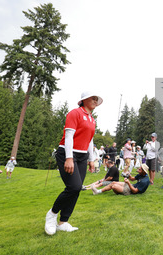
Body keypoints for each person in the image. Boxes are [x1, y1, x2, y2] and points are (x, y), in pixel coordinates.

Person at [44, 91, 102, 235]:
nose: (95, 101)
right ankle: (52, 214)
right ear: (84, 100)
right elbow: (69, 136)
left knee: (76, 189)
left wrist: (90, 159)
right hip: (67, 153)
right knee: (74, 187)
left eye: (97, 99)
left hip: (82, 156)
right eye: (93, 98)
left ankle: (63, 222)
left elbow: (90, 140)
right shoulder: (74, 113)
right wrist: (69, 158)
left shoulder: (92, 119)